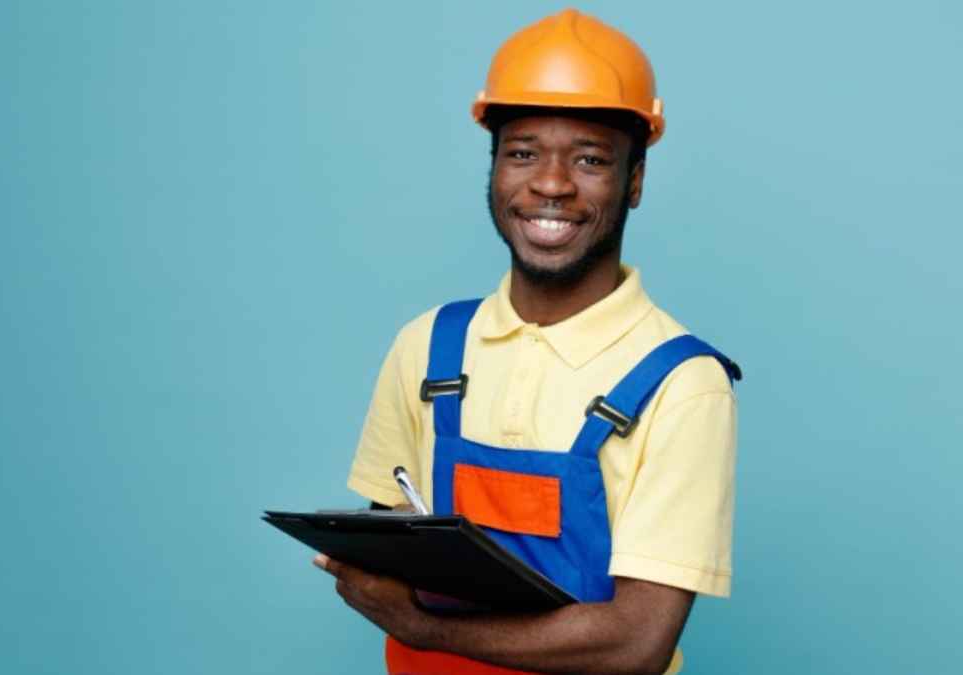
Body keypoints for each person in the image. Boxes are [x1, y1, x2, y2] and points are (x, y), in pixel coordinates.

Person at [313, 9, 740, 675]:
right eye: (523, 152)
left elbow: (636, 642)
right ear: (494, 168)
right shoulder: (427, 345)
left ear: (635, 180)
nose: (550, 182)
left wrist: (426, 628)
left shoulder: (682, 383)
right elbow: (393, 554)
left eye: (591, 158)